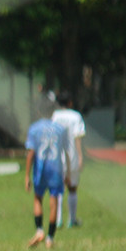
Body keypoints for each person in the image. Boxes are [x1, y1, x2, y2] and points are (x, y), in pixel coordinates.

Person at [25, 97, 70, 249]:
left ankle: (39, 230)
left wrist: (26, 175)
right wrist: (68, 172)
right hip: (56, 170)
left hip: (41, 169)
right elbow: (66, 152)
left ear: (38, 111)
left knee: (38, 198)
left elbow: (31, 153)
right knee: (54, 201)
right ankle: (50, 238)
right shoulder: (60, 129)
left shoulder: (34, 129)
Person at [51, 91, 86, 227]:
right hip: (72, 155)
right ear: (70, 102)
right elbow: (77, 137)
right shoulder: (76, 116)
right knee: (72, 187)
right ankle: (71, 219)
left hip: (58, 157)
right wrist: (80, 156)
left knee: (59, 188)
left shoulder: (55, 116)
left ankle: (57, 219)